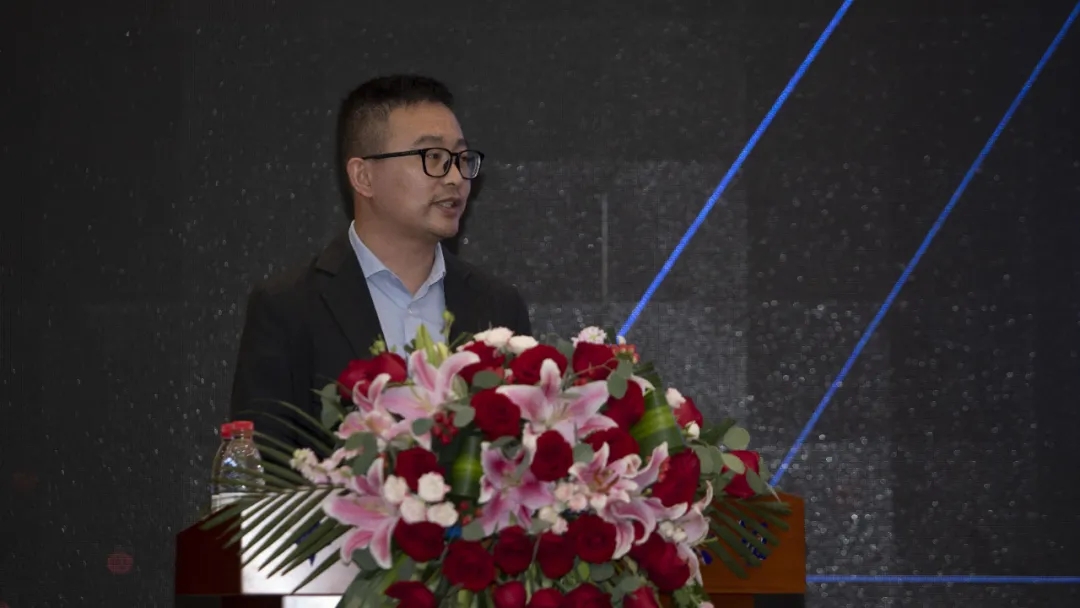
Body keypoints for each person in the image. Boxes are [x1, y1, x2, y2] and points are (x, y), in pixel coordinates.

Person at [229, 74, 532, 451]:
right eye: (433, 157)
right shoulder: (288, 308)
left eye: (461, 158)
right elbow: (262, 468)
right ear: (364, 176)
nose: (456, 177)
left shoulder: (498, 307)